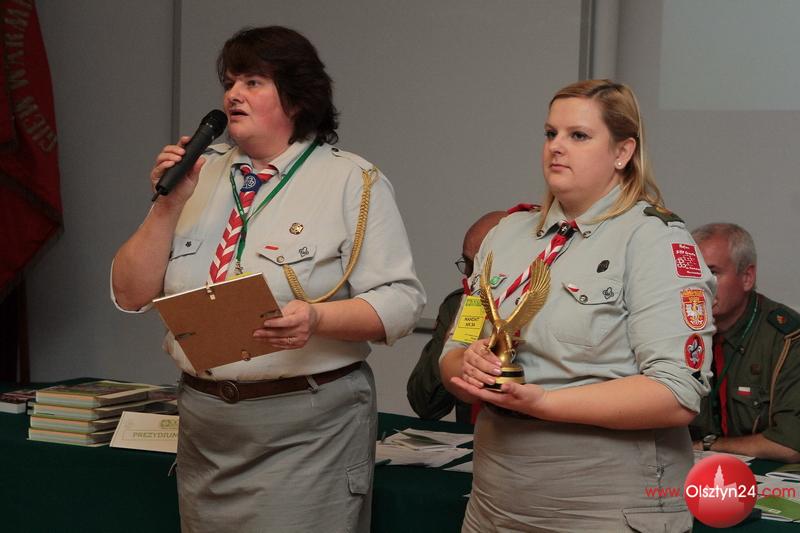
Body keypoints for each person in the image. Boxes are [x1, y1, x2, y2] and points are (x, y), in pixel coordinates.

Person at [110, 26, 424, 532]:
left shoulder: (350, 180)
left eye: (252, 82)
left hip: (306, 425)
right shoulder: (197, 174)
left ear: (297, 99)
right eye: (229, 83)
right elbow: (129, 294)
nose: (233, 95)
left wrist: (318, 319)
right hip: (205, 424)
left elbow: (402, 301)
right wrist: (167, 206)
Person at [439, 79, 715, 531]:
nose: (557, 147)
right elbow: (455, 348)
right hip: (495, 500)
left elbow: (675, 394)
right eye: (551, 133)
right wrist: (467, 367)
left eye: (578, 135)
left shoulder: (654, 240)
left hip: (601, 504)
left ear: (623, 152)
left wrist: (544, 403)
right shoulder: (504, 236)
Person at [689, 223, 800, 462]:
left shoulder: (788, 338)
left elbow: (791, 444)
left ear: (747, 277)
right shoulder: (679, 330)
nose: (699, 285)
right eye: (692, 274)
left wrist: (710, 446)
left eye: (712, 273)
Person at [407, 210, 506, 423]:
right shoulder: (459, 303)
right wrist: (455, 339)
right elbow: (426, 405)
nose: (470, 276)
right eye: (468, 264)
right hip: (471, 435)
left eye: (481, 266)